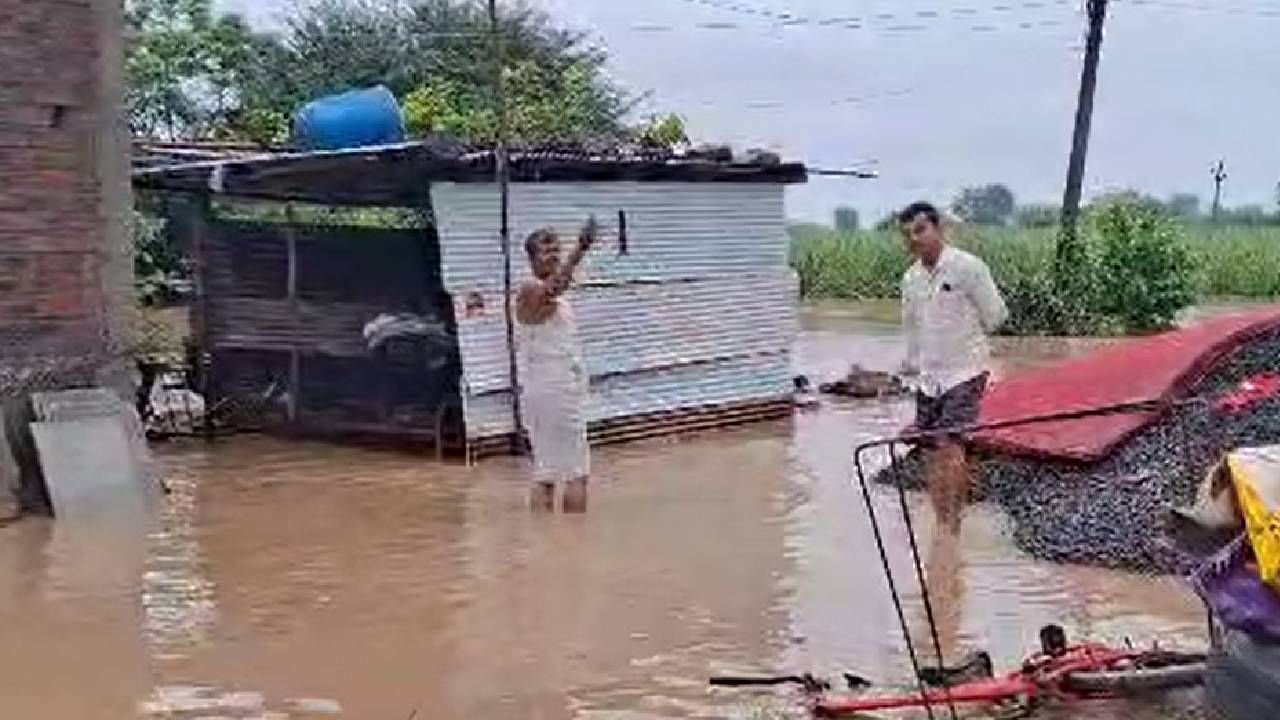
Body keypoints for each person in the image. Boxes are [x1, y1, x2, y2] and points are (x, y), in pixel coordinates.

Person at [897, 201, 1007, 664]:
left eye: (920, 230)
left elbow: (996, 315)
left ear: (938, 229)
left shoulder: (966, 268)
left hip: (964, 370)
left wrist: (973, 353)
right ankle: (942, 517)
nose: (914, 239)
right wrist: (909, 371)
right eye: (907, 234)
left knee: (951, 446)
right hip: (929, 376)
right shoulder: (910, 279)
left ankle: (950, 527)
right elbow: (912, 332)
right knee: (929, 451)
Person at [515, 218, 598, 512]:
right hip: (555, 388)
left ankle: (546, 546)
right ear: (532, 258)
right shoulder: (530, 290)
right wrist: (581, 250)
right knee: (577, 472)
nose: (553, 255)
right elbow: (554, 289)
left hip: (549, 387)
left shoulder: (549, 296)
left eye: (556, 250)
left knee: (546, 471)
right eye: (545, 250)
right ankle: (574, 548)